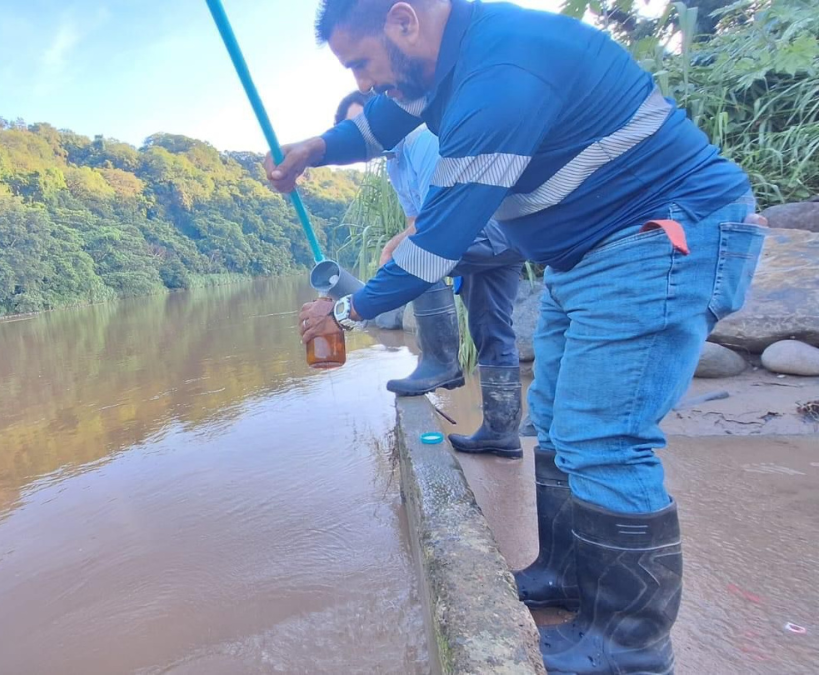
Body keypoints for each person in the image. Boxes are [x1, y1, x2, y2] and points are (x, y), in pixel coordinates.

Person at [270, 1, 765, 673]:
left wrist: (346, 314)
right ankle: (564, 575)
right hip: (586, 254)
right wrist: (320, 149)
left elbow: (433, 247)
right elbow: (387, 118)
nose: (362, 84)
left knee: (604, 438)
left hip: (659, 238)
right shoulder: (446, 62)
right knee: (559, 423)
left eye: (361, 63)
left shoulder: (497, 75)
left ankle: (629, 645)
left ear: (404, 20)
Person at [336, 90, 526, 459]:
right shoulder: (395, 164)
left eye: (366, 125)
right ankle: (502, 433)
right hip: (490, 241)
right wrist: (393, 244)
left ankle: (441, 361)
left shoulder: (422, 141)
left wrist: (396, 253)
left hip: (490, 228)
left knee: (418, 257)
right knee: (491, 329)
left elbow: (433, 227)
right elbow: (413, 220)